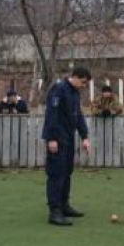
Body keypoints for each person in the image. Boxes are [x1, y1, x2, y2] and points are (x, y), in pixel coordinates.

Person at [41, 67, 92, 226]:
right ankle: (54, 211)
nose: (84, 86)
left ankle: (64, 205)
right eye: (83, 82)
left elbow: (78, 115)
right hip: (57, 138)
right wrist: (51, 138)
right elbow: (51, 115)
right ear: (75, 77)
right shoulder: (59, 90)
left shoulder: (74, 93)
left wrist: (84, 136)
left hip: (69, 138)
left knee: (67, 172)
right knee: (56, 173)